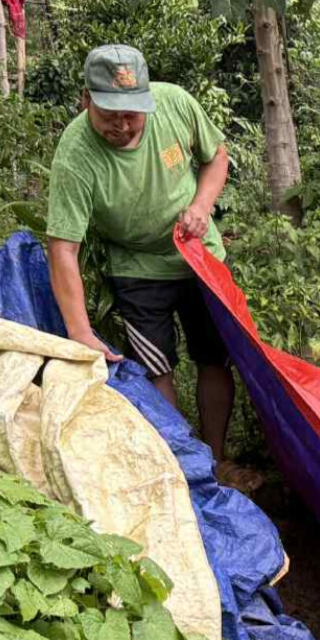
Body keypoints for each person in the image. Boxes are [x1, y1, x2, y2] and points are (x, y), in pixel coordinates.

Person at [44, 45, 258, 490]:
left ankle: (217, 461)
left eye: (132, 114)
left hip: (199, 257)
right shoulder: (75, 155)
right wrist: (80, 331)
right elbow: (63, 248)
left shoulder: (176, 104)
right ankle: (183, 469)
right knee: (156, 368)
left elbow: (216, 157)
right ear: (86, 100)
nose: (122, 125)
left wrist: (201, 205)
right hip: (137, 268)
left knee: (213, 358)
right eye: (110, 115)